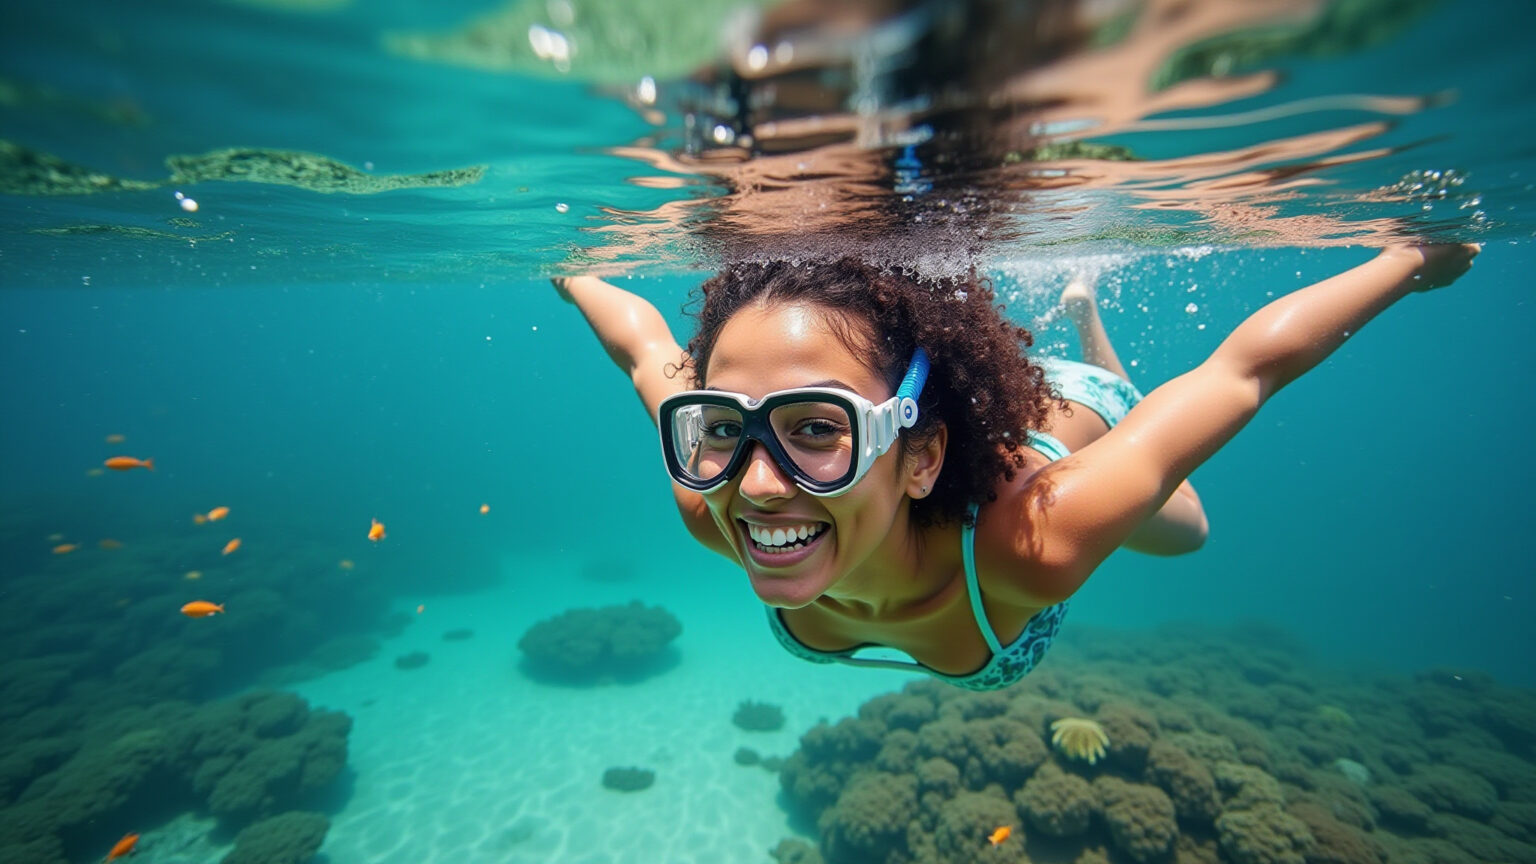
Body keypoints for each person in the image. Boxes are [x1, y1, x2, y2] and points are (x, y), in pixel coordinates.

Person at [553, 244, 1478, 690]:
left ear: (919, 458)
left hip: (1066, 419)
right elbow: (645, 347)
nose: (754, 484)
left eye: (815, 430)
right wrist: (569, 270)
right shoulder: (712, 491)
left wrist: (1409, 260)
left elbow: (1242, 372)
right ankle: (1078, 309)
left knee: (1188, 529)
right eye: (724, 428)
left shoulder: (1036, 542)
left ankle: (1089, 327)